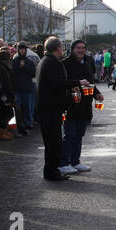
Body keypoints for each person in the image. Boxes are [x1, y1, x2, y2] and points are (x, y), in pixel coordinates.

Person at [61, 39, 99, 174]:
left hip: (84, 104)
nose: (81, 50)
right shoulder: (65, 63)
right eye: (78, 48)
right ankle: (64, 162)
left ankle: (75, 161)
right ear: (73, 49)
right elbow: (61, 83)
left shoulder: (87, 62)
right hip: (70, 103)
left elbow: (90, 82)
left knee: (79, 134)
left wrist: (97, 94)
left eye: (83, 48)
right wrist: (77, 82)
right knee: (69, 134)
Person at [35, 37, 71, 182]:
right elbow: (58, 83)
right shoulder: (52, 62)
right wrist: (77, 83)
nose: (62, 50)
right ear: (57, 48)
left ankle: (51, 170)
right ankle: (51, 171)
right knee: (54, 142)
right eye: (61, 47)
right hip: (50, 108)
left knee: (51, 141)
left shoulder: (44, 60)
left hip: (46, 107)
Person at [12, 42, 36, 135]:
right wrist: (19, 67)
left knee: (27, 106)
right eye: (20, 49)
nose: (22, 51)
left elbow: (33, 73)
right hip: (18, 87)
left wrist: (25, 66)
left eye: (23, 49)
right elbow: (13, 72)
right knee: (18, 107)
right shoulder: (14, 61)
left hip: (27, 87)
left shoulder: (29, 62)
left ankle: (28, 122)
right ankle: (19, 123)